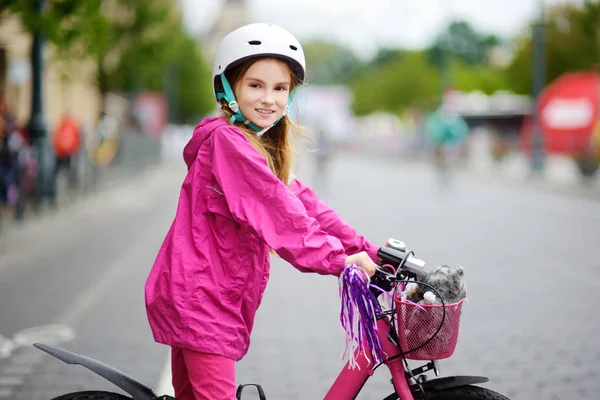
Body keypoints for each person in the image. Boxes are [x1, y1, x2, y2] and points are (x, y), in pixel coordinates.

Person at [144, 23, 379, 400]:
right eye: (255, 85)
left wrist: (371, 250)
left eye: (280, 88)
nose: (269, 98)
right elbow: (282, 218)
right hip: (202, 300)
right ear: (228, 88)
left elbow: (306, 206)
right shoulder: (227, 143)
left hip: (205, 297)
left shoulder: (256, 146)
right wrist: (341, 260)